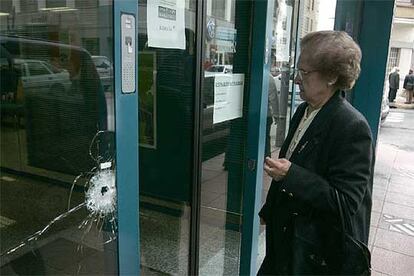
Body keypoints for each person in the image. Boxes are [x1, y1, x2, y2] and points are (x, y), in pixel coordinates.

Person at [258, 31, 374, 275]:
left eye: (305, 72)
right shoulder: (304, 110)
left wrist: (291, 174)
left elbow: (345, 204)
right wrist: (269, 210)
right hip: (286, 245)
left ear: (332, 76)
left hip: (313, 256)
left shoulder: (351, 126)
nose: (297, 80)